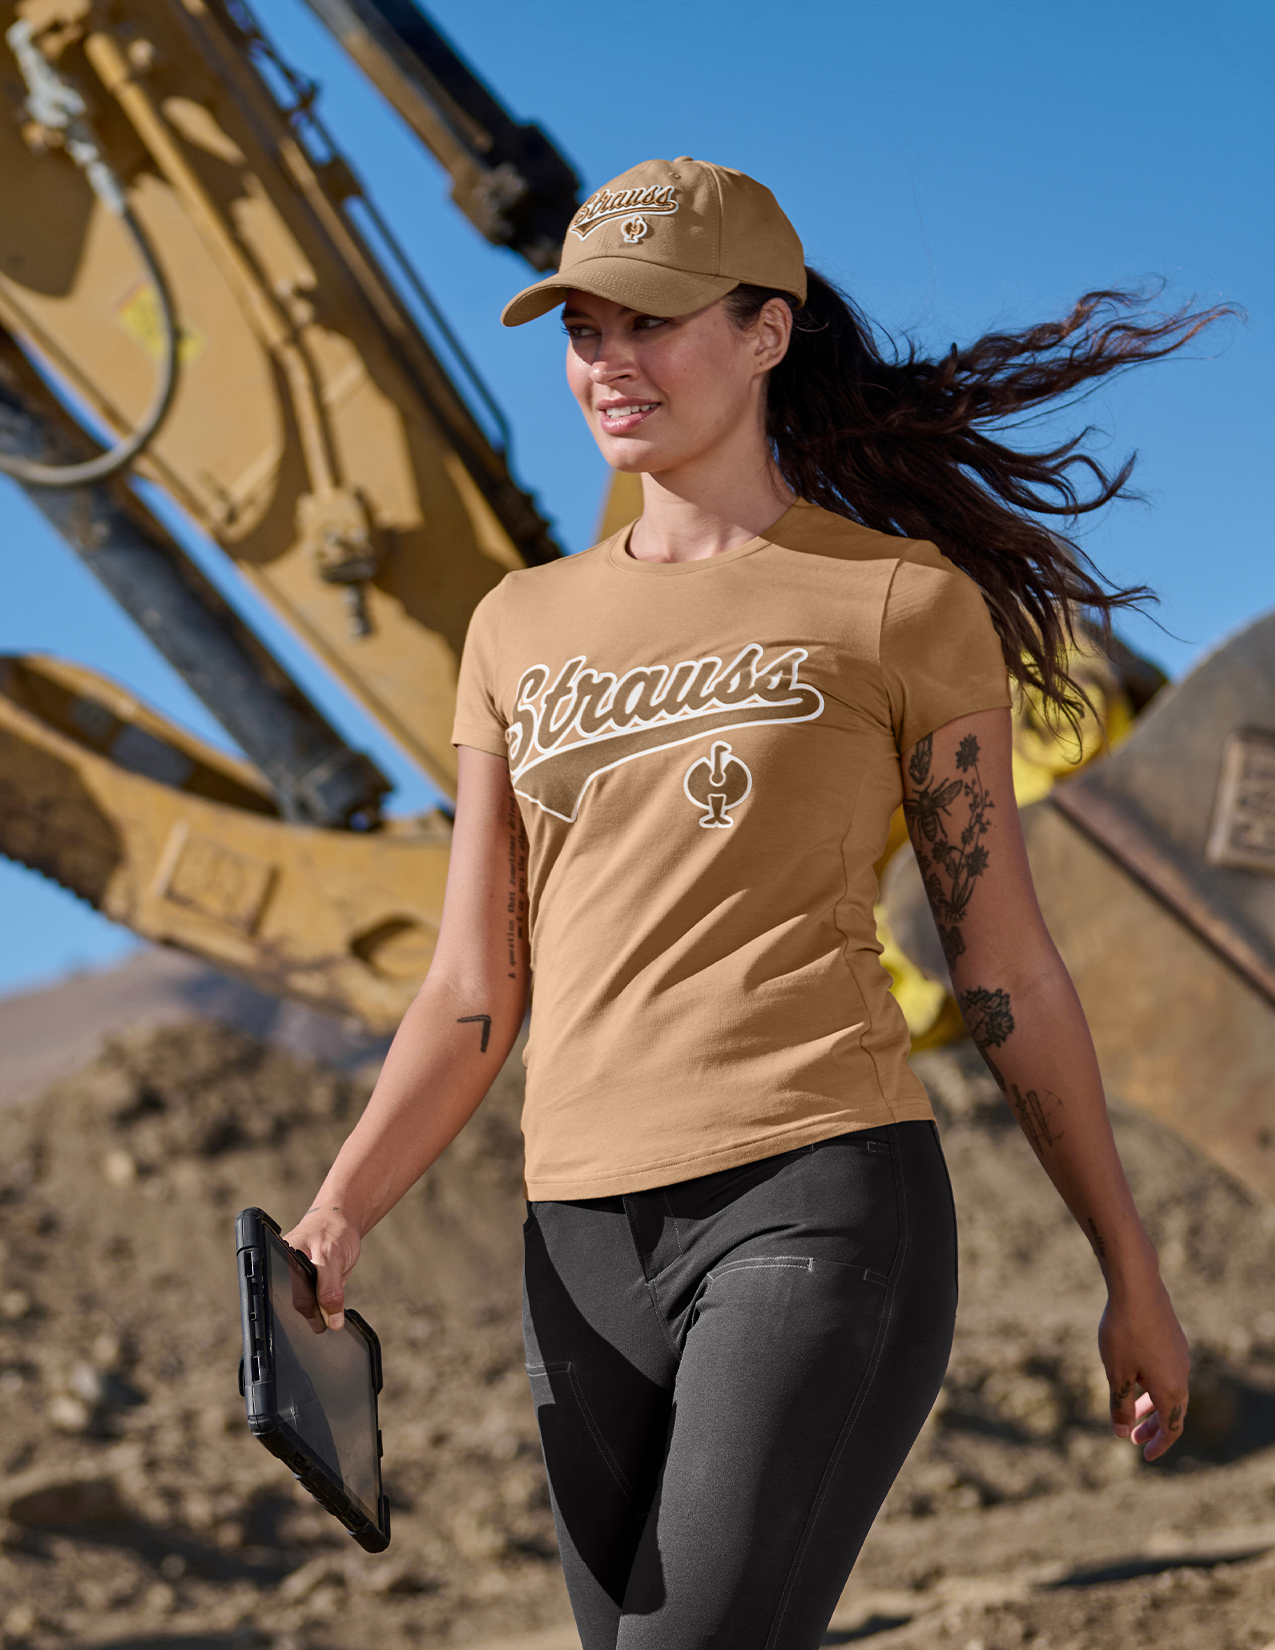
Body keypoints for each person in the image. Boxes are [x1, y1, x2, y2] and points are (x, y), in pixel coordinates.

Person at [285, 158, 1230, 1648]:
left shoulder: (899, 602)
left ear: (765, 332)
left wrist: (1128, 1266)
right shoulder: (515, 626)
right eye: (582, 329)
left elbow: (1004, 972)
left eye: (651, 323)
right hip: (578, 1238)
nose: (610, 362)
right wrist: (341, 1210)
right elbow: (474, 983)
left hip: (813, 1195)